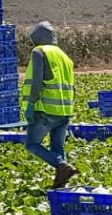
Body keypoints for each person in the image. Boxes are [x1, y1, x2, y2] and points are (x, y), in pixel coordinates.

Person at [20, 22, 78, 189]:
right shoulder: (64, 56)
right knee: (57, 147)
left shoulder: (40, 52)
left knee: (32, 144)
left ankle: (62, 167)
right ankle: (60, 183)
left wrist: (31, 104)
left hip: (45, 110)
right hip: (65, 111)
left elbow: (37, 82)